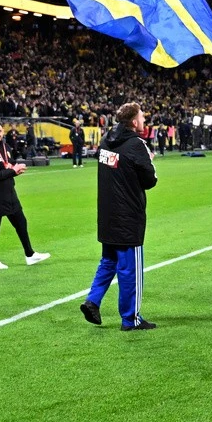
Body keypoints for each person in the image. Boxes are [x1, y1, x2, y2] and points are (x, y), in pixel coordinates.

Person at [79, 102, 158, 330]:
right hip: (128, 218)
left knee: (109, 261)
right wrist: (149, 161)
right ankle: (130, 319)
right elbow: (150, 180)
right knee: (129, 270)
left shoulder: (106, 140)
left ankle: (92, 301)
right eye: (142, 117)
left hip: (107, 215)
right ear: (133, 121)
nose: (144, 120)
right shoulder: (136, 145)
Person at [0, 120, 50, 270]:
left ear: (3, 132)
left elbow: (9, 163)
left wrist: (17, 168)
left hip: (9, 192)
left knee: (21, 222)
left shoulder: (6, 146)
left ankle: (30, 255)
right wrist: (13, 171)